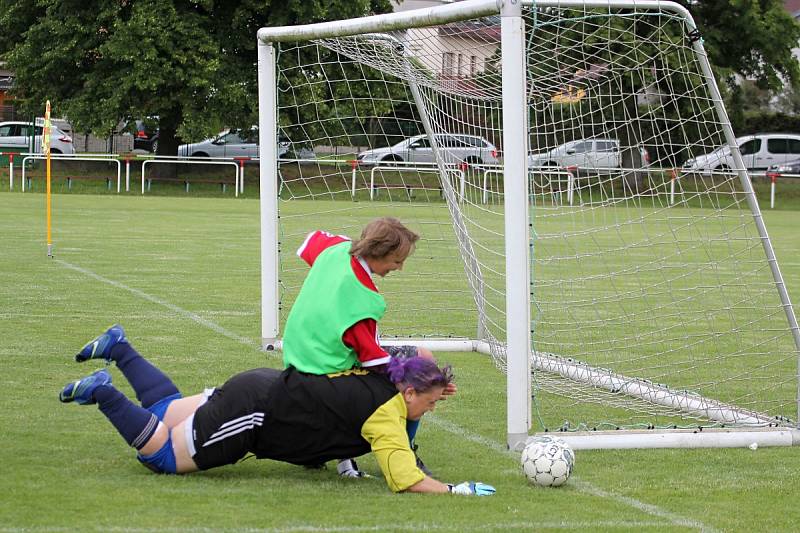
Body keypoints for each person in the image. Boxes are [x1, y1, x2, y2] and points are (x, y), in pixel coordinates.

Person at [59, 324, 495, 496]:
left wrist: (430, 385)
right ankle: (104, 393)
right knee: (163, 457)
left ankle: (120, 347)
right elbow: (405, 477)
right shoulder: (386, 413)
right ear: (410, 393)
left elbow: (417, 357)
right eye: (433, 402)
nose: (434, 408)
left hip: (262, 385)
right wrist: (455, 490)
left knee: (164, 410)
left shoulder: (384, 369)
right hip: (255, 411)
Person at [281, 217, 455, 476]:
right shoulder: (363, 297)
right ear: (379, 253)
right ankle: (400, 453)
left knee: (417, 361)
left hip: (296, 356)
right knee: (422, 363)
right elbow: (374, 362)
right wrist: (427, 383)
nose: (400, 268)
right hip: (325, 372)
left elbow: (309, 242)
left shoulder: (336, 248)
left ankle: (322, 450)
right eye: (397, 261)